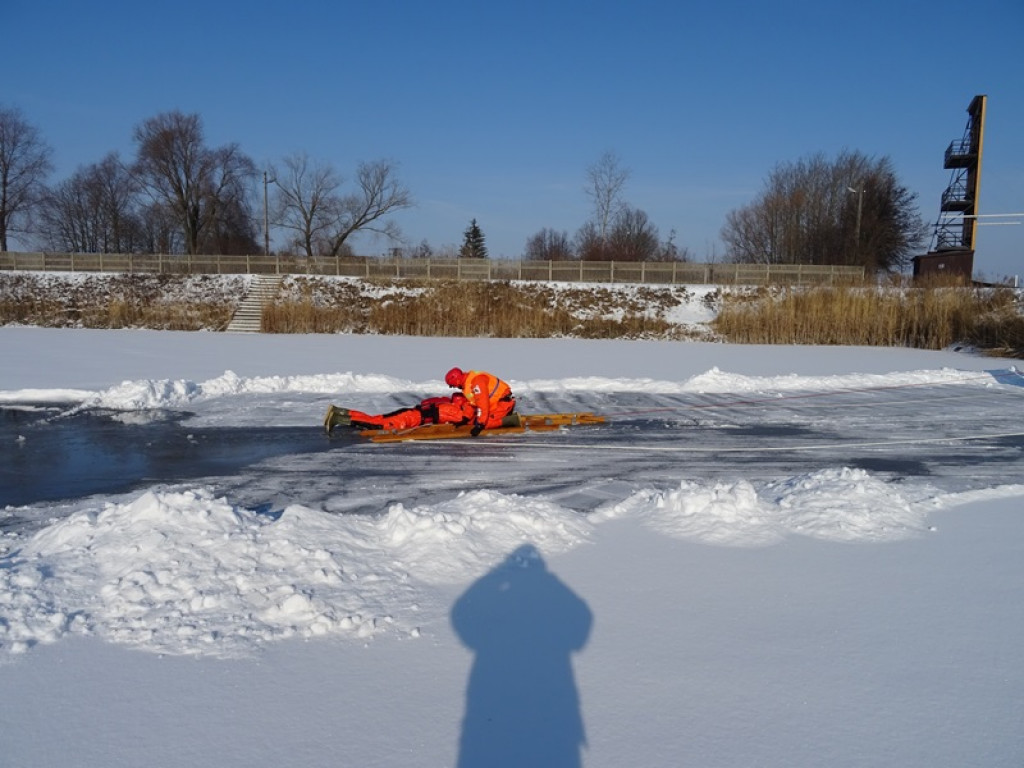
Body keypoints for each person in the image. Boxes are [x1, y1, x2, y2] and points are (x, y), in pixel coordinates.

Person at [324, 393, 474, 434]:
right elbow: (464, 417)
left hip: (409, 412)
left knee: (376, 418)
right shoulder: (454, 409)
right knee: (377, 425)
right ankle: (337, 418)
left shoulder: (445, 402)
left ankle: (340, 411)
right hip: (410, 419)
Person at [444, 367, 517, 436]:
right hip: (493, 405)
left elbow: (483, 404)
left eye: (452, 385)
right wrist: (465, 418)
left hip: (503, 404)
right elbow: (471, 403)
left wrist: (480, 425)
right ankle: (494, 417)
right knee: (472, 421)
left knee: (486, 423)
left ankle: (511, 419)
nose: (453, 387)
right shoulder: (467, 385)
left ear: (456, 380)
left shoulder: (477, 382)